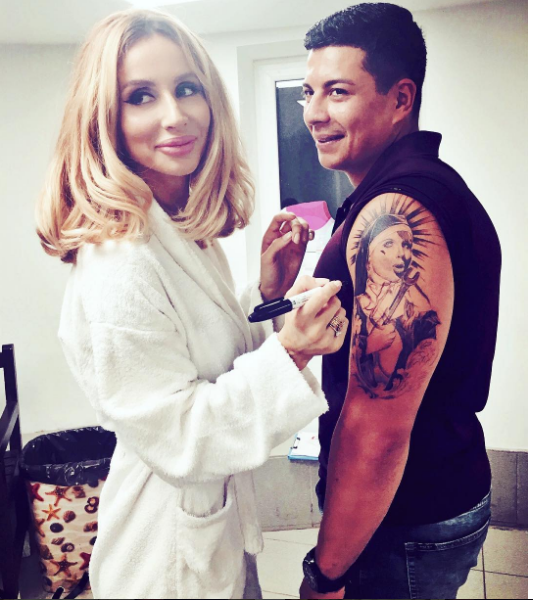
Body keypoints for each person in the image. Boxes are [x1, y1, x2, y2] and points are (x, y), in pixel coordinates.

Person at [34, 9, 347, 599]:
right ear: (104, 119)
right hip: (165, 564)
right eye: (140, 97)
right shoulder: (120, 263)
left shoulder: (178, 229)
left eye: (186, 88)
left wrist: (267, 298)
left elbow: (206, 360)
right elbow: (182, 437)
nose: (174, 116)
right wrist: (293, 352)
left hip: (208, 532)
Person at [299, 4, 502, 598]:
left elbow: (379, 426)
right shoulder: (407, 190)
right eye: (309, 92)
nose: (314, 113)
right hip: (423, 498)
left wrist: (326, 574)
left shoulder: (398, 208)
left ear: (400, 98)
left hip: (403, 518)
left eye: (338, 91)